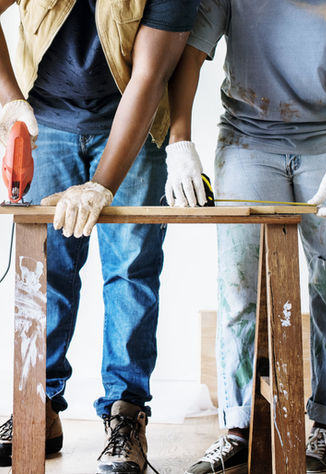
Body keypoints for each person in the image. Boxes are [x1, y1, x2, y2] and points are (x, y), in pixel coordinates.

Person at [164, 1, 326, 473]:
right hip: (250, 137)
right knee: (238, 288)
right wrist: (180, 140)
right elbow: (189, 53)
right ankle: (237, 428)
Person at [0, 0, 199, 472]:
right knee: (44, 273)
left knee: (132, 272)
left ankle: (126, 415)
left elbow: (150, 77)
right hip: (45, 123)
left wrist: (100, 185)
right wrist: (10, 102)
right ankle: (37, 410)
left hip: (133, 128)